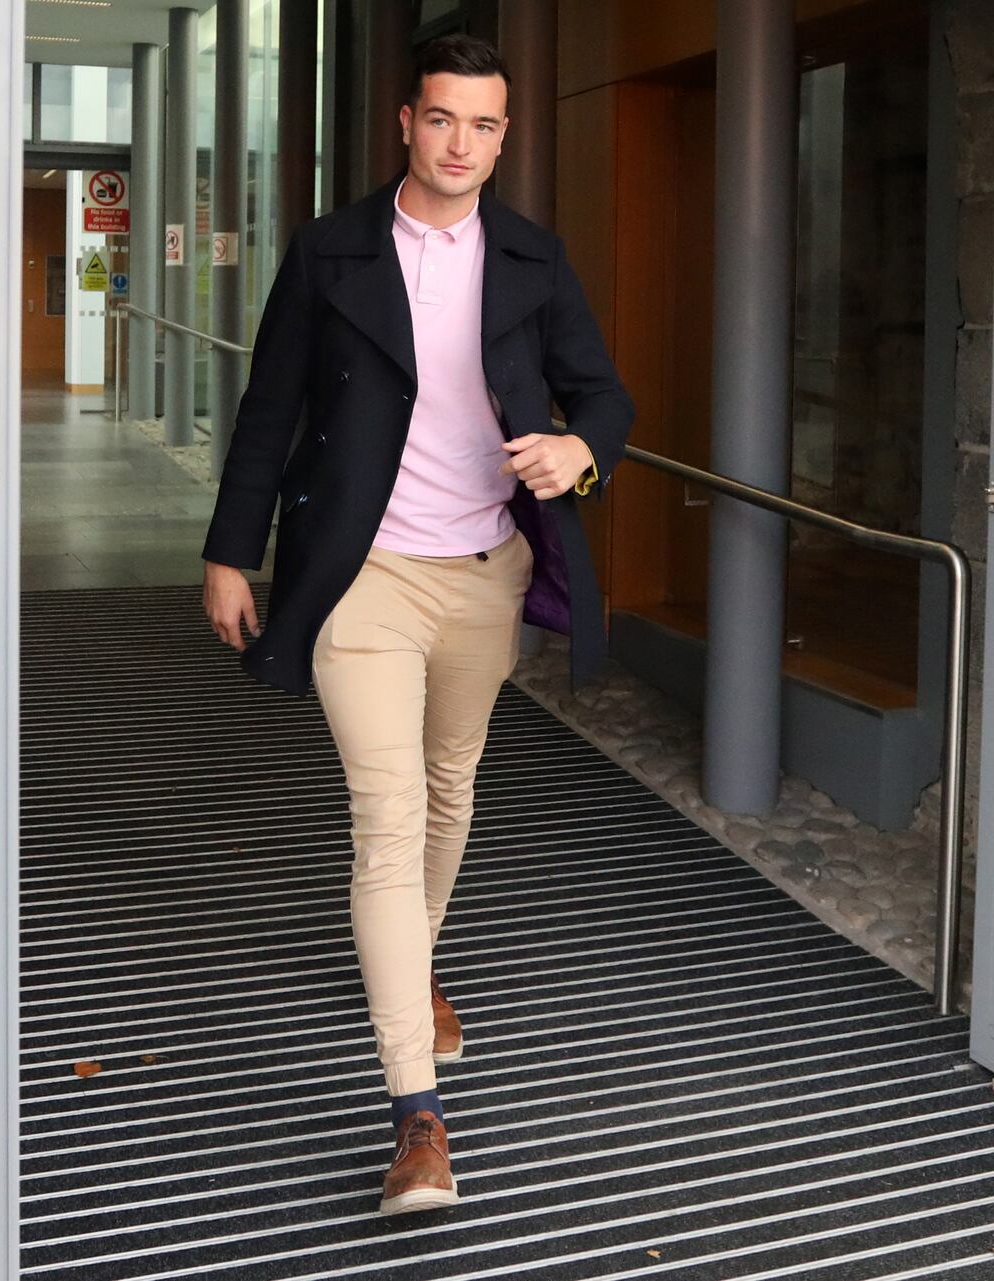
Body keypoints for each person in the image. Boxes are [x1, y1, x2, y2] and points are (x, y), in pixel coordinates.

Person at [201, 33, 634, 1215]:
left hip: (483, 574)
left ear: (502, 137)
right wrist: (230, 552)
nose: (460, 144)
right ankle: (416, 1114)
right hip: (364, 576)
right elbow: (270, 409)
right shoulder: (331, 249)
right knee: (386, 822)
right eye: (441, 118)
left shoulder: (532, 257)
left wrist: (580, 451)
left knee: (450, 788)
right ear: (406, 122)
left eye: (483, 126)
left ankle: (414, 967)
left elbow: (603, 392)